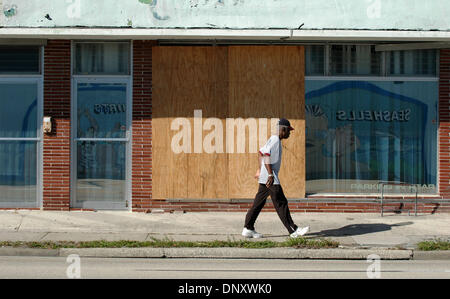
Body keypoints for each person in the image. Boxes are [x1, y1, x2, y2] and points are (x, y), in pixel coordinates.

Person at [242, 118, 310, 239]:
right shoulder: (275, 140)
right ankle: (294, 230)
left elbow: (261, 152)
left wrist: (260, 169)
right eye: (288, 131)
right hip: (270, 177)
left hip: (266, 176)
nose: (289, 133)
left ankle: (248, 228)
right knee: (281, 203)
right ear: (283, 129)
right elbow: (266, 155)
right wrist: (270, 174)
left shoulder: (273, 139)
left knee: (258, 203)